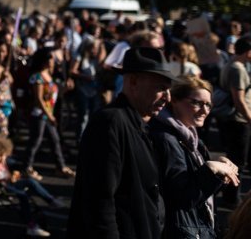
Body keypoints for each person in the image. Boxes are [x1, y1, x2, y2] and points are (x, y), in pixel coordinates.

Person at [68, 46, 176, 239]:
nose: (167, 97)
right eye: (161, 88)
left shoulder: (140, 124)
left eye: (169, 89)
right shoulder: (110, 123)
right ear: (133, 82)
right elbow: (100, 202)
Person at [148, 76, 238, 239]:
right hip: (181, 231)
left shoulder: (194, 140)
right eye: (197, 103)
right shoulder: (167, 139)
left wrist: (219, 171)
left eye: (209, 105)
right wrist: (210, 169)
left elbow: (199, 193)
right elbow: (183, 197)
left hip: (196, 227)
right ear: (174, 100)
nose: (205, 110)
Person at [0, 133, 61, 237]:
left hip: (11, 182)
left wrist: (18, 173)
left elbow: (15, 166)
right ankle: (31, 226)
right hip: (4, 187)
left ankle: (50, 200)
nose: (2, 158)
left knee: (31, 181)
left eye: (3, 155)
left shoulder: (4, 161)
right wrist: (7, 178)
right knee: (23, 195)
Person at [23, 47, 75, 181]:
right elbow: (39, 99)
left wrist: (66, 89)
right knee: (35, 141)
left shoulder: (49, 76)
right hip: (39, 114)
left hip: (47, 114)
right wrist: (50, 115)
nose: (54, 60)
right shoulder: (37, 77)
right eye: (51, 58)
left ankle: (60, 166)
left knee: (55, 141)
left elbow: (53, 96)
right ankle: (26, 167)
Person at [215, 35, 251, 207]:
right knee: (238, 161)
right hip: (239, 120)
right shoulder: (238, 68)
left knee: (235, 158)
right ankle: (232, 198)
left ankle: (230, 196)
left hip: (233, 119)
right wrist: (249, 118)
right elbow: (239, 99)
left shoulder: (231, 63)